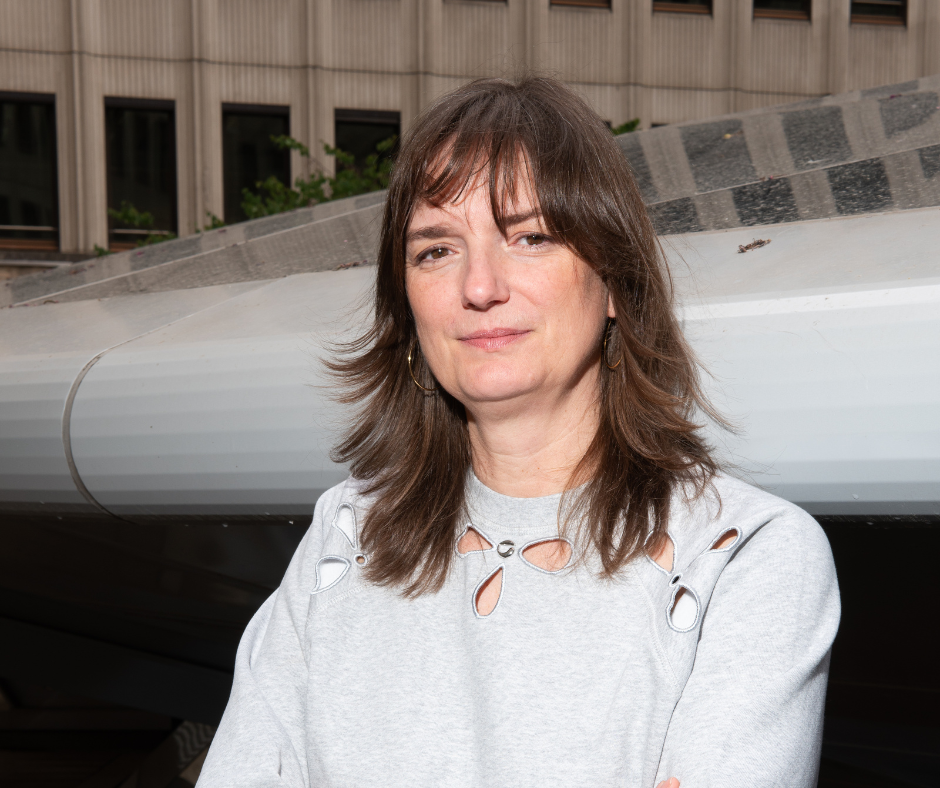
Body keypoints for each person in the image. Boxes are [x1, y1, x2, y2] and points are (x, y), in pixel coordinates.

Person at [196, 77, 840, 788]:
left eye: (531, 236)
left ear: (616, 282)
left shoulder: (746, 559)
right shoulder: (346, 535)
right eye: (436, 250)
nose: (480, 286)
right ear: (407, 307)